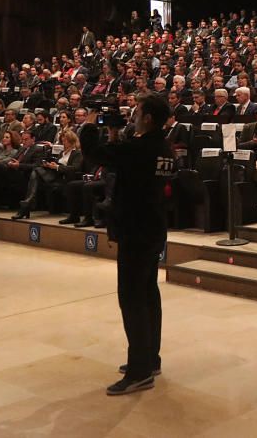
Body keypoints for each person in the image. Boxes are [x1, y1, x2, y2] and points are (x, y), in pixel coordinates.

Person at [80, 95, 175, 395]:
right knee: (148, 295)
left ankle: (139, 371)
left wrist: (90, 123)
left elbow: (94, 154)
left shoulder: (139, 148)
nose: (133, 115)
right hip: (154, 227)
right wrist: (114, 134)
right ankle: (150, 358)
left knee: (131, 299)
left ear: (147, 118)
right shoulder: (163, 145)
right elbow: (125, 160)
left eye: (137, 111)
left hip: (135, 230)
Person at [12, 130, 83, 219]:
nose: (64, 143)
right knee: (36, 171)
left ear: (72, 141)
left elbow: (75, 168)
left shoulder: (77, 153)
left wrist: (57, 167)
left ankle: (26, 205)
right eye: (62, 141)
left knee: (36, 172)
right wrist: (50, 165)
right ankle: (27, 203)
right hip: (54, 176)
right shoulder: (62, 153)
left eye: (65, 141)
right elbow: (56, 165)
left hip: (65, 178)